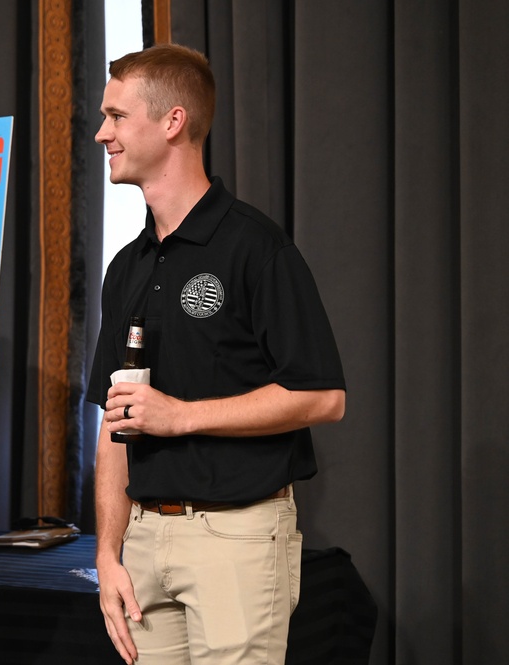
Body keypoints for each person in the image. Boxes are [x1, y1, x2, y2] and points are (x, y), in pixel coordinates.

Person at [88, 44, 346, 665]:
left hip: (237, 537)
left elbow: (323, 396)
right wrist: (107, 553)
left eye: (117, 117)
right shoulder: (126, 266)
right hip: (144, 543)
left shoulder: (256, 249)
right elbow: (115, 422)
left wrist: (180, 416)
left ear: (172, 121)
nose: (102, 134)